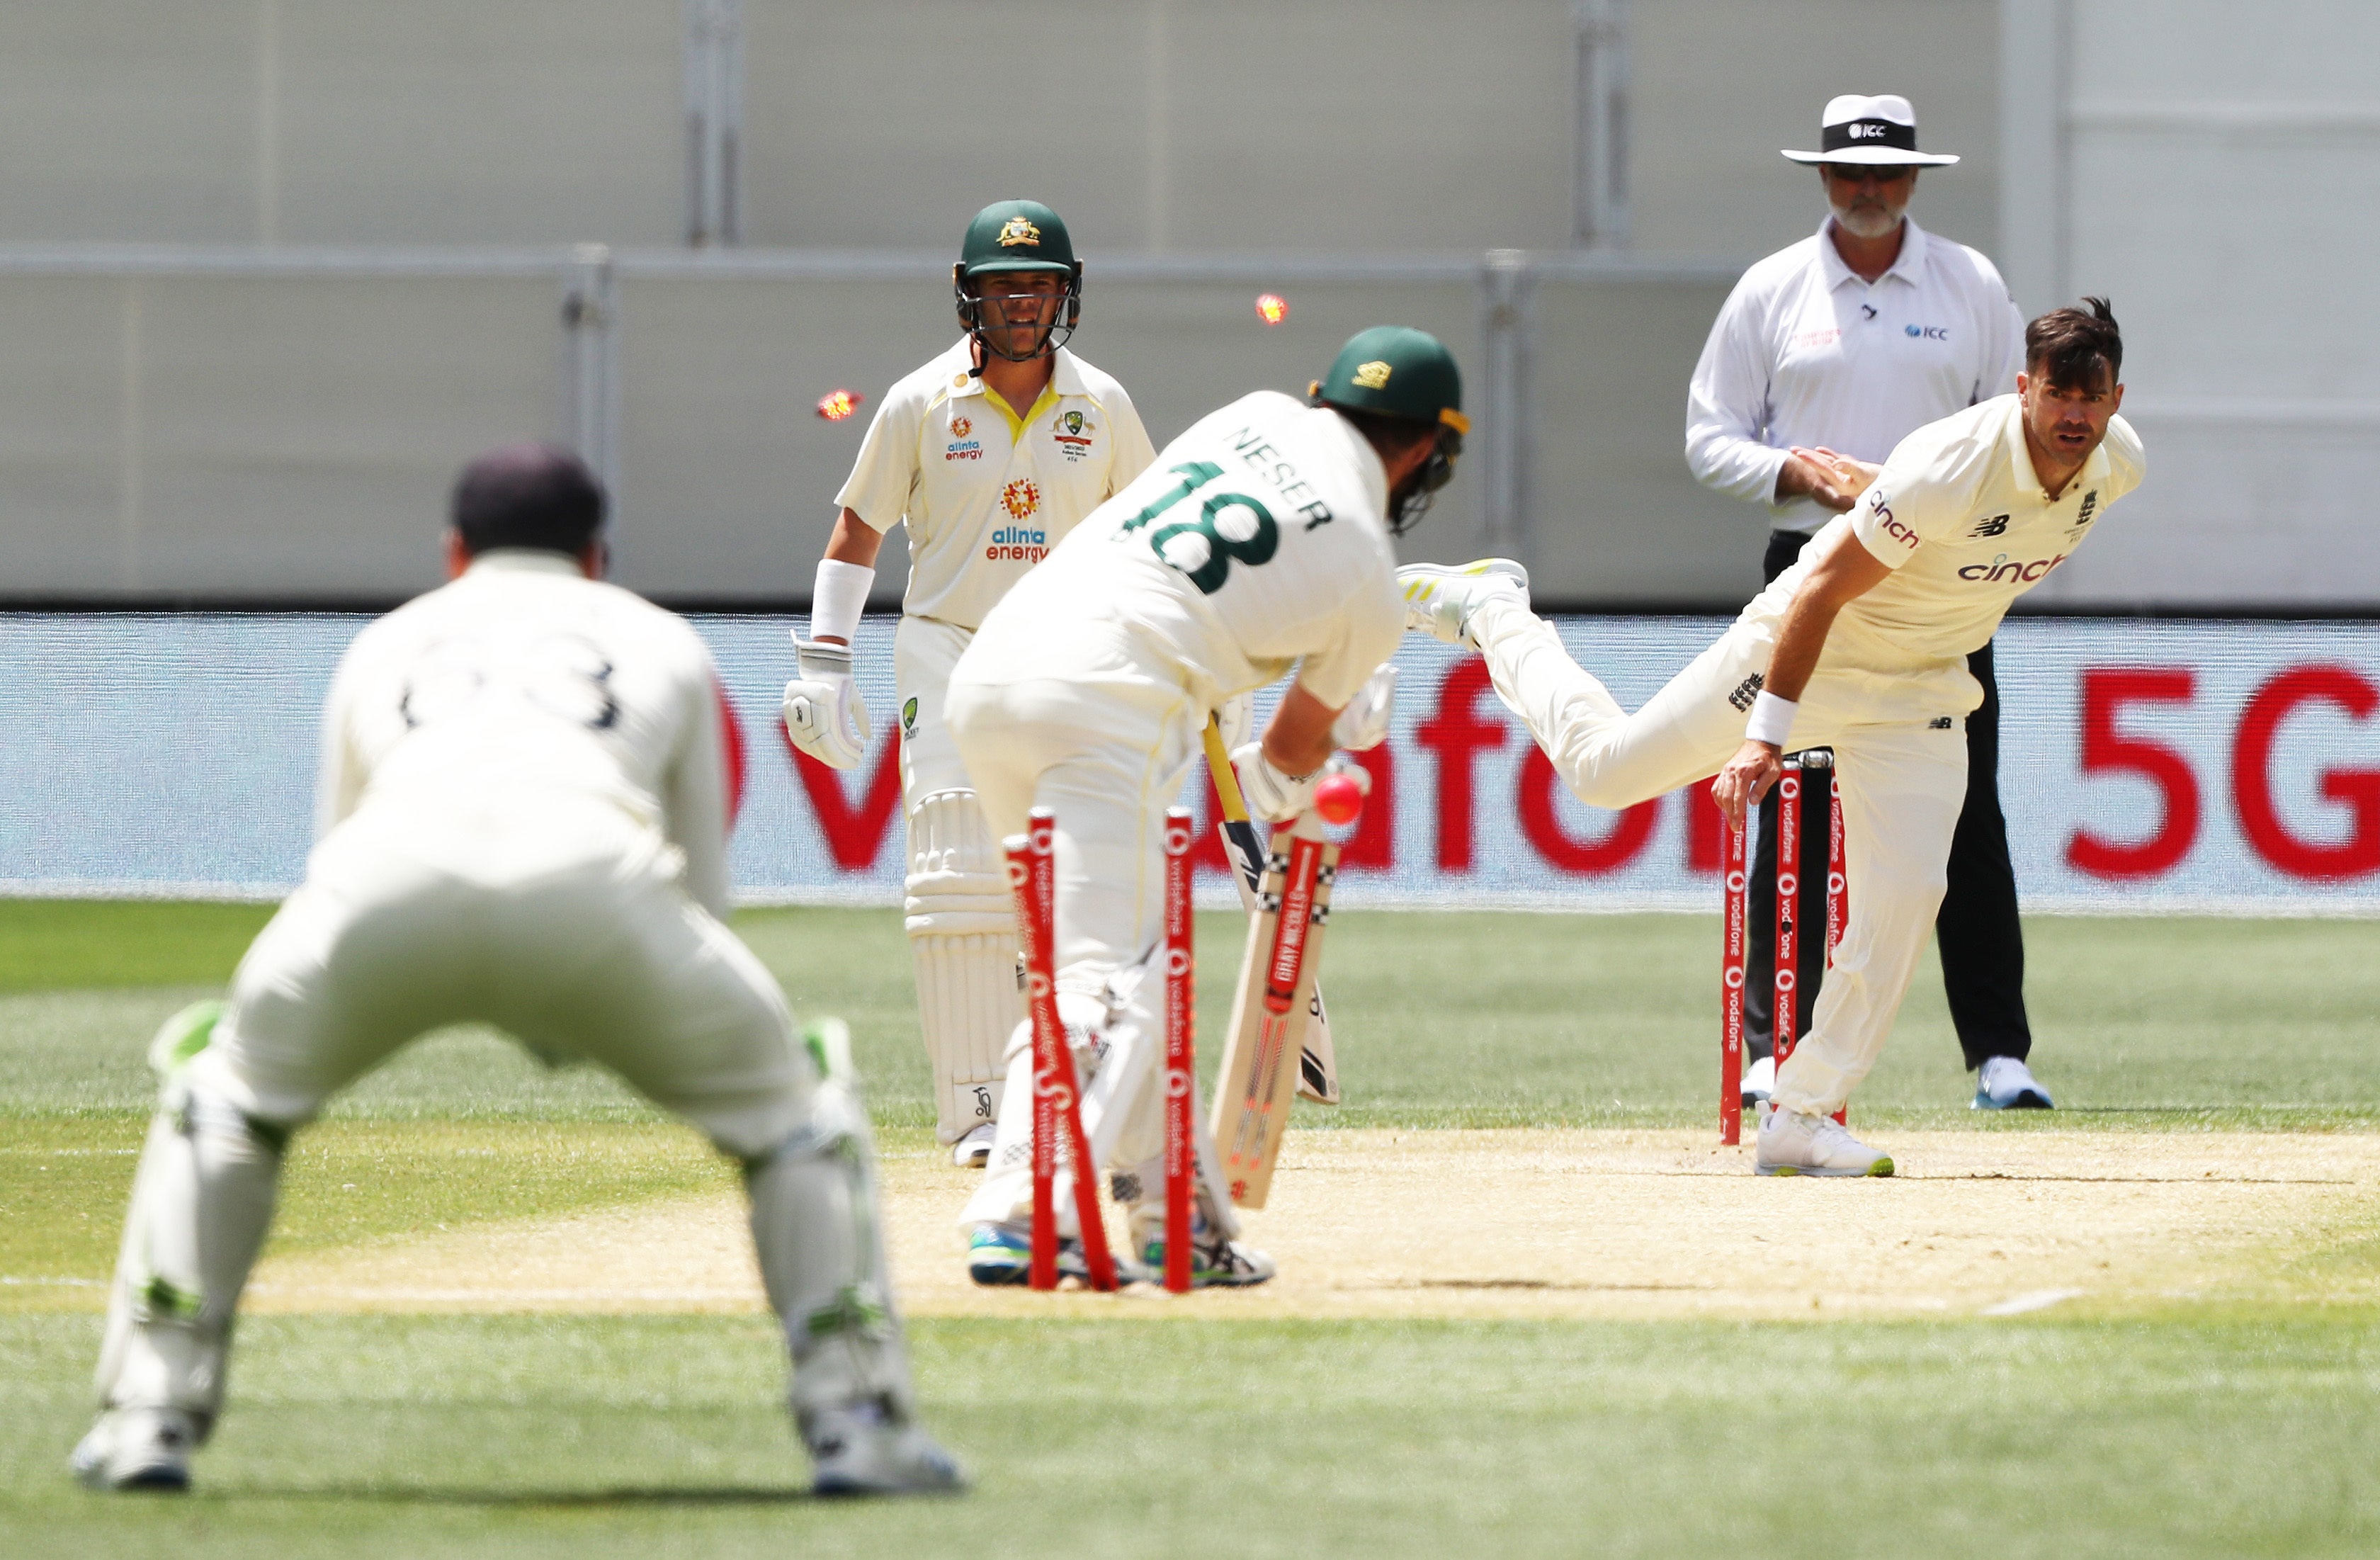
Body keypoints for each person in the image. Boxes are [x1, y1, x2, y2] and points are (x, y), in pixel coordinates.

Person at [70, 446, 960, 1496]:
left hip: (379, 891)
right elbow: (704, 895)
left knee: (223, 1101)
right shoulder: (660, 638)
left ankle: (146, 1418)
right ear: (597, 555)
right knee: (798, 1116)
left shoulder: (387, 641)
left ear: (454, 552)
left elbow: (334, 853)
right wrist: (597, 998)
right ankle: (858, 1423)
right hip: (600, 893)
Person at [1404, 301, 2138, 1176]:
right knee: (1605, 775)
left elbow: (1959, 525)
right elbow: (1819, 588)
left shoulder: (2117, 465)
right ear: (2024, 389)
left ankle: (1801, 1111)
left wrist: (1886, 485)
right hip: (1809, 650)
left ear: (2116, 398)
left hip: (1923, 693)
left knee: (1906, 898)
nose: (2074, 417)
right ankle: (1494, 611)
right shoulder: (1955, 463)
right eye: (2057, 393)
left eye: (2092, 399)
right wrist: (1766, 738)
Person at [946, 325, 1452, 1284]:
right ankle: (1021, 1205)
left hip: (997, 667)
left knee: (1095, 965)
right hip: (1108, 706)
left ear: (1325, 397)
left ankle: (1178, 1221)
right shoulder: (1368, 578)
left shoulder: (1256, 414)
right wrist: (1343, 727)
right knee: (1108, 976)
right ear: (1429, 449)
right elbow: (1293, 759)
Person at [1684, 92, 2051, 1113]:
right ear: (1823, 177)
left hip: (1936, 581)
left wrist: (1968, 529)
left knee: (1966, 807)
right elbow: (1709, 439)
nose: (1869, 190)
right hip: (1808, 568)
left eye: (1888, 173)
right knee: (1790, 798)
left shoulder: (1969, 281)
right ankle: (1772, 1045)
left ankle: (1998, 1053)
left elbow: (2011, 426)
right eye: (1851, 173)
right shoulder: (1773, 289)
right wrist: (1796, 473)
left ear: (1916, 178)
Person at [783, 199, 1157, 1168]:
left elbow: (1155, 540)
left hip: (1070, 655)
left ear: (1065, 297)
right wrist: (825, 661)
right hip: (948, 645)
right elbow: (859, 531)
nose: (1021, 303)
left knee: (1076, 874)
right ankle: (979, 1109)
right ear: (969, 297)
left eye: (1037, 286)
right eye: (1002, 285)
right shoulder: (918, 402)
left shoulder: (1104, 405)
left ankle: (1080, 1091)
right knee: (960, 872)